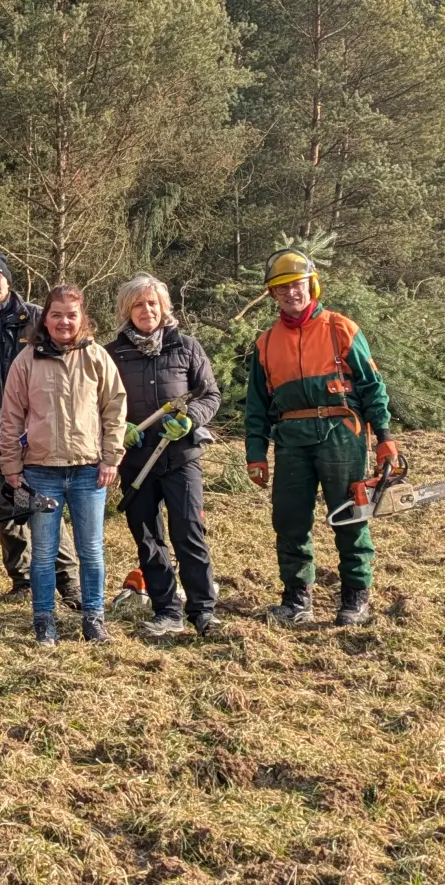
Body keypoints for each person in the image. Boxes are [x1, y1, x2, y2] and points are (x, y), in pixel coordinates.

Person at [245, 249, 395, 626]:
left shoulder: (339, 328)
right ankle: (297, 599)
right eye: (281, 289)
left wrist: (384, 436)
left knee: (350, 516)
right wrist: (256, 452)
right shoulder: (265, 343)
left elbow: (372, 387)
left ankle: (355, 596)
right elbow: (257, 406)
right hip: (292, 439)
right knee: (289, 520)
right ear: (273, 295)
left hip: (341, 433)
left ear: (310, 284)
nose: (290, 293)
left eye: (296, 285)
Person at [0, 284, 127, 645]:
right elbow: (10, 416)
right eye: (56, 314)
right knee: (42, 552)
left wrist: (111, 457)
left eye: (71, 315)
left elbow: (114, 409)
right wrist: (11, 466)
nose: (63, 322)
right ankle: (44, 621)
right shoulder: (26, 361)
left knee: (91, 550)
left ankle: (94, 618)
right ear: (45, 318)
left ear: (82, 318)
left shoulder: (97, 357)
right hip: (40, 471)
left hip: (89, 469)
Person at [0, 250, 80, 606]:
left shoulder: (38, 319)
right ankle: (22, 579)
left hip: (40, 431)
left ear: (9, 280)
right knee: (6, 508)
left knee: (45, 505)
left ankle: (67, 581)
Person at [105, 274, 223, 638]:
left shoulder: (186, 347)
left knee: (189, 530)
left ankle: (202, 610)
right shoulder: (112, 354)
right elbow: (99, 403)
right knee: (147, 536)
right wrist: (119, 426)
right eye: (138, 305)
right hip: (137, 461)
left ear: (164, 307)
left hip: (181, 458)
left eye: (152, 303)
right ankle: (166, 609)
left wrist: (191, 420)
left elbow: (210, 395)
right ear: (128, 310)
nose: (146, 310)